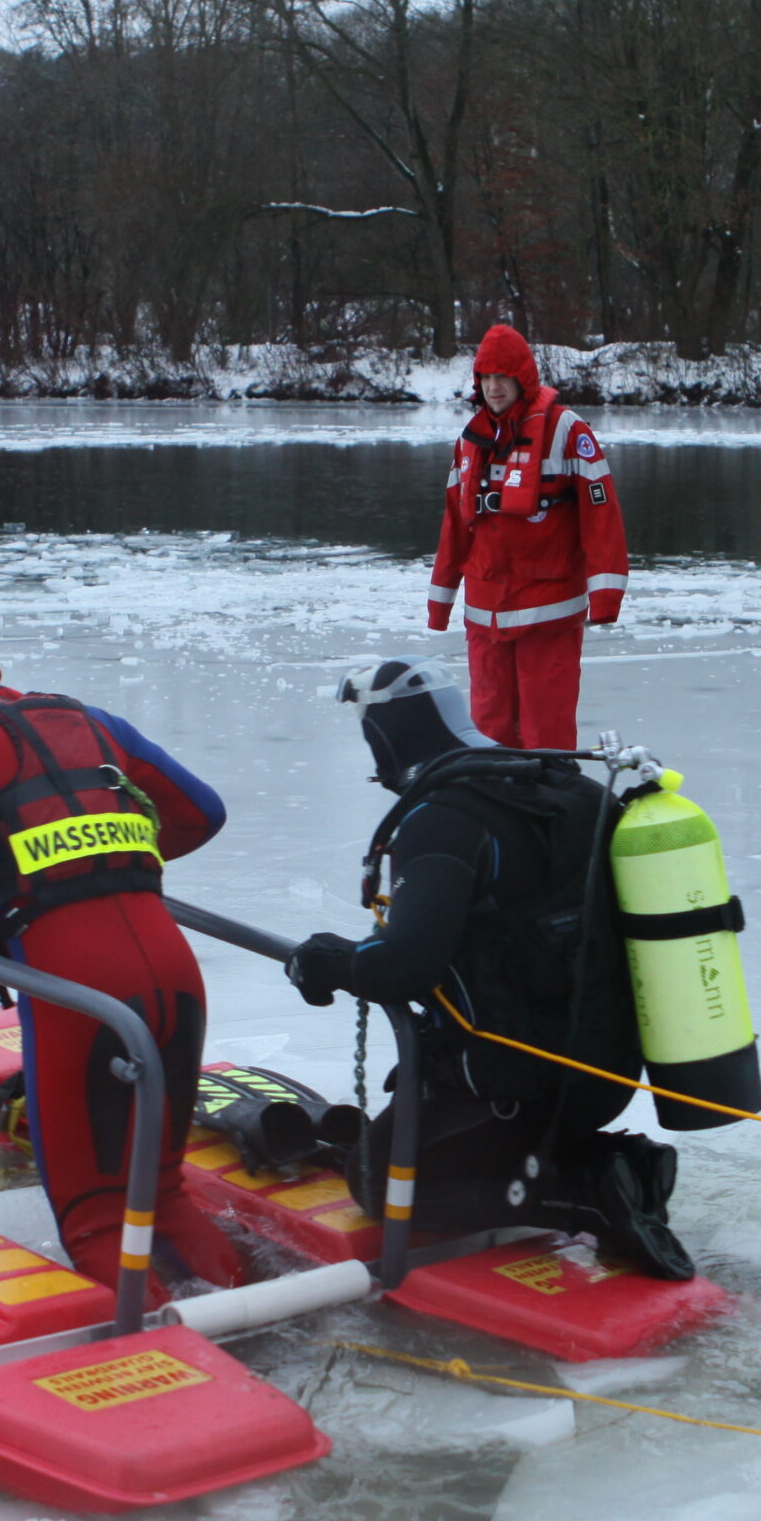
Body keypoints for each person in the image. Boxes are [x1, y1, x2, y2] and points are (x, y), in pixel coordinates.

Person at [0, 625, 245, 1295]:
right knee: (163, 1194)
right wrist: (108, 862)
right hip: (176, 979)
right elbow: (202, 812)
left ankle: (161, 1355)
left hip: (76, 992)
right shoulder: (91, 719)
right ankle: (259, 1322)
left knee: (96, 1221)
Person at [280, 657, 694, 1280]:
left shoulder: (445, 818)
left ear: (386, 736)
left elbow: (401, 968)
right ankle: (611, 1164)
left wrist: (326, 961)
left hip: (510, 1089)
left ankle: (583, 1193)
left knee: (376, 1179)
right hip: (608, 1073)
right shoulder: (569, 788)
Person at [426, 323, 628, 750]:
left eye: (503, 377)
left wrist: (606, 597)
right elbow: (454, 527)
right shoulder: (470, 441)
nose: (494, 387)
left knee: (546, 733)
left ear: (523, 378)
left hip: (548, 613)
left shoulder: (567, 431)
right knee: (489, 733)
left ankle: (548, 794)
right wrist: (440, 603)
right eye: (486, 377)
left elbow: (601, 516)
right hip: (486, 615)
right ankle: (494, 794)